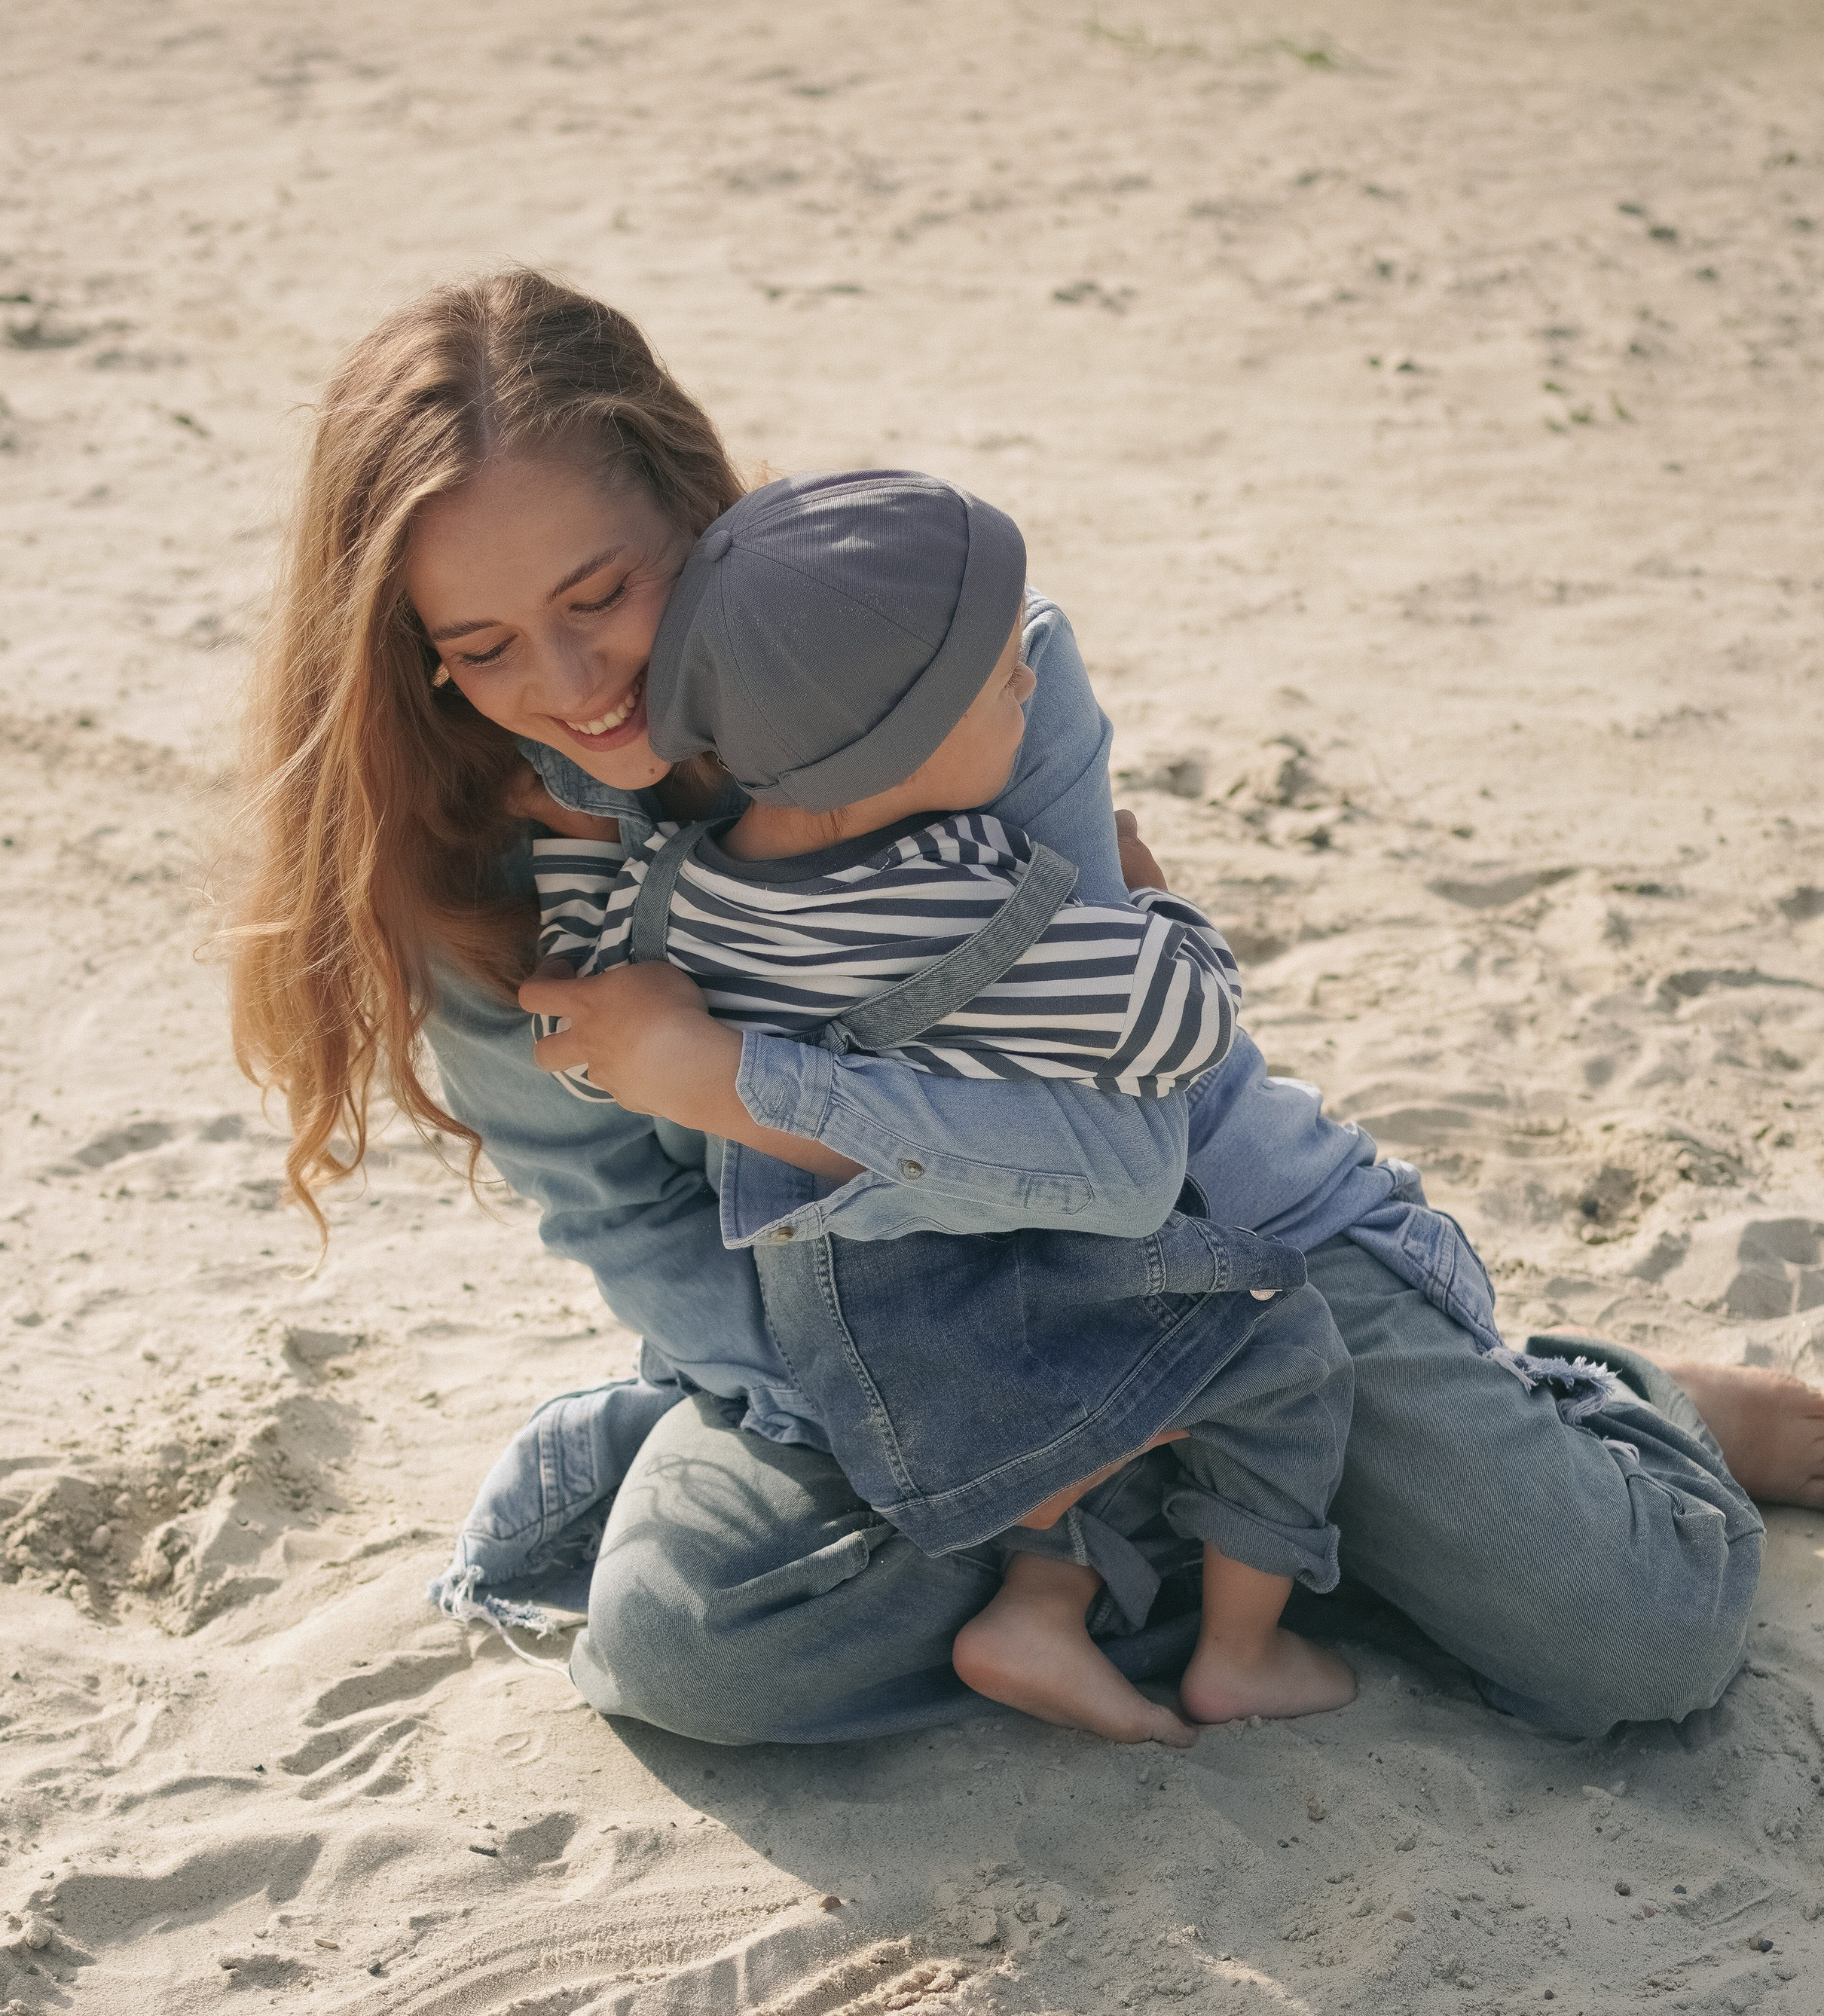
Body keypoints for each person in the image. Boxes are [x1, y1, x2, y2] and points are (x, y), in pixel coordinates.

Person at [231, 267, 1824, 1752]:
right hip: (878, 1346)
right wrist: (971, 1433)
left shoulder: (957, 672)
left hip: (1209, 1258)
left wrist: (727, 1080)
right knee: (685, 1645)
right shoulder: (472, 877)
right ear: (414, 659)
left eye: (601, 594)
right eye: (484, 646)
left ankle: (1588, 1413)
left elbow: (1117, 1157)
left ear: (694, 518)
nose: (573, 682)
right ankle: (1259, 1524)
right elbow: (634, 1233)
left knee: (1637, 1647)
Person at [530, 466, 1357, 1739]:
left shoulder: (673, 900)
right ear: (877, 763)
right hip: (993, 1301)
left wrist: (566, 819)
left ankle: (1044, 1601)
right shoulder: (967, 910)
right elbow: (1184, 1027)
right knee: (1281, 1350)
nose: (1028, 679)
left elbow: (589, 996)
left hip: (847, 1336)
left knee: (1090, 1379)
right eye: (997, 688)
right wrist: (1152, 900)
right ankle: (1244, 1652)